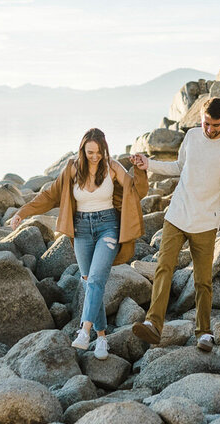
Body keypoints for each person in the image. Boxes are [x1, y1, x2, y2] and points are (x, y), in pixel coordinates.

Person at [11, 128, 147, 360]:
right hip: (82, 230)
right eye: (90, 152)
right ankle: (102, 338)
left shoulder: (112, 167)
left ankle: (84, 331)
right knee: (90, 283)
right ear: (83, 150)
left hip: (108, 227)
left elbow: (136, 190)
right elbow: (50, 195)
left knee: (94, 280)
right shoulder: (72, 169)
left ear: (105, 150)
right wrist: (22, 212)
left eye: (99, 152)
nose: (95, 156)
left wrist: (140, 171)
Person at [130, 97, 220, 352]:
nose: (210, 130)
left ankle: (204, 333)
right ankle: (153, 325)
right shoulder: (191, 136)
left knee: (203, 280)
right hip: (177, 215)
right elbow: (180, 167)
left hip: (205, 222)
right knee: (163, 267)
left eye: (215, 125)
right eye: (206, 124)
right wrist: (150, 165)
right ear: (200, 118)